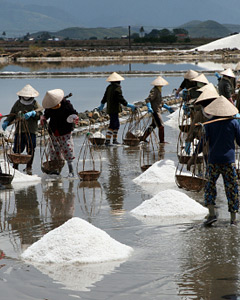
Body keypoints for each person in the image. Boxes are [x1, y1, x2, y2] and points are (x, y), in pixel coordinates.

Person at [193, 96, 240, 226]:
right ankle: (233, 218)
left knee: (209, 187)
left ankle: (212, 214)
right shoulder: (234, 123)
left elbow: (203, 142)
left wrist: (195, 155)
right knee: (232, 188)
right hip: (228, 161)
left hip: (213, 161)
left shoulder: (210, 124)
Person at [2, 84, 42, 174]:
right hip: (19, 130)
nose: (26, 97)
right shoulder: (18, 103)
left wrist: (33, 114)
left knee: (31, 148)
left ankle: (29, 166)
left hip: (31, 130)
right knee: (17, 149)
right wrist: (6, 122)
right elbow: (12, 114)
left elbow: (40, 115)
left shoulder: (35, 103)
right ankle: (15, 167)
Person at [40, 89, 79, 177]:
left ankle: (71, 171)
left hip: (65, 131)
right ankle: (56, 170)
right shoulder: (49, 107)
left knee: (67, 149)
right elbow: (46, 114)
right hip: (53, 131)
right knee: (54, 151)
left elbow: (74, 113)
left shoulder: (67, 104)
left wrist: (74, 118)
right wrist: (43, 117)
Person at [98, 72, 136, 146]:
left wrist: (102, 105)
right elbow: (120, 99)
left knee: (117, 125)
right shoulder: (117, 88)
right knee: (112, 125)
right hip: (114, 109)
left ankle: (114, 140)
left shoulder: (109, 87)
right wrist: (129, 105)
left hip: (110, 108)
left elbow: (104, 97)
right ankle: (107, 141)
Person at [140, 76, 169, 144]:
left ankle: (143, 138)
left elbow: (160, 101)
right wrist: (149, 107)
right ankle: (162, 141)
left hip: (157, 109)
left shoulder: (159, 90)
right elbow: (148, 99)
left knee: (153, 125)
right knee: (161, 126)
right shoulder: (154, 90)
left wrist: (167, 107)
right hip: (155, 111)